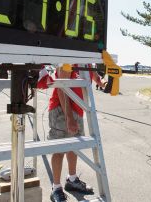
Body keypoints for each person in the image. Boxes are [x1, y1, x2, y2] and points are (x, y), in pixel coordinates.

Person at [48, 65, 104, 202]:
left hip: (78, 109)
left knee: (74, 147)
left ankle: (72, 180)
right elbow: (61, 88)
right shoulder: (69, 57)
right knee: (59, 150)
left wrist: (104, 83)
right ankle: (56, 188)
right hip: (62, 109)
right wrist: (69, 117)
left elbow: (96, 77)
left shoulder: (88, 63)